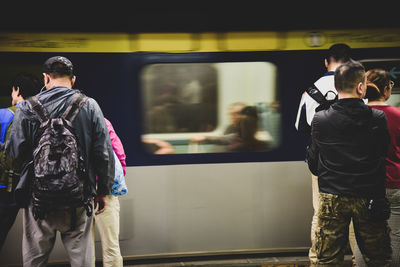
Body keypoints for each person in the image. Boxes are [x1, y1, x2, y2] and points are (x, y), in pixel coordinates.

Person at [5, 56, 114, 266]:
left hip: (37, 200)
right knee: (82, 259)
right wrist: (103, 190)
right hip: (79, 198)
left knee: (34, 259)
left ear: (46, 78)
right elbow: (104, 152)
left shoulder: (27, 108)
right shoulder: (90, 106)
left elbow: (15, 153)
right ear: (73, 80)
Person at [307, 60, 392, 266]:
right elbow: (383, 153)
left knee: (327, 260)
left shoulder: (320, 119)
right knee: (378, 259)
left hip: (332, 197)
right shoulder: (378, 118)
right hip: (369, 197)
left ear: (336, 87)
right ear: (361, 87)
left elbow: (313, 164)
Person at [294, 43, 357, 264]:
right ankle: (359, 259)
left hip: (323, 163)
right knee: (356, 216)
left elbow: (300, 127)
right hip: (357, 163)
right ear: (350, 62)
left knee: (322, 214)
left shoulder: (312, 90)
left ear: (326, 62)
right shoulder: (359, 87)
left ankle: (319, 259)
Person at [354, 69, 400, 266]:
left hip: (363, 185)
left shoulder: (355, 116)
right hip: (394, 182)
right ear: (387, 89)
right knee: (396, 237)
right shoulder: (397, 115)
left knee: (362, 238)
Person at [0, 73, 40, 251]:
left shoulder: (4, 115)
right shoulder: (41, 117)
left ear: (17, 91)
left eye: (12, 91)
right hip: (28, 187)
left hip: (3, 187)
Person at [93, 118, 126, 267]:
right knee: (111, 246)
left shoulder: (65, 121)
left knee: (83, 249)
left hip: (78, 191)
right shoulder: (101, 120)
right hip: (105, 190)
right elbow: (118, 152)